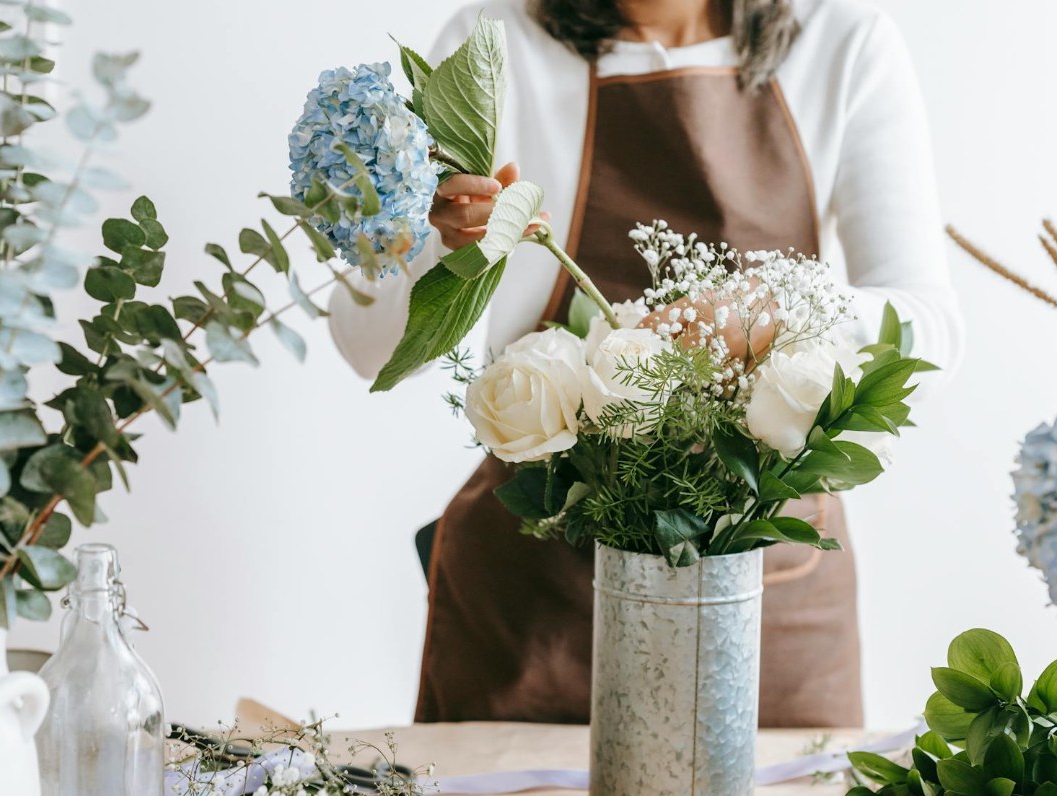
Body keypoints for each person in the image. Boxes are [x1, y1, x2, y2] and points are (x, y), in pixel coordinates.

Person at [328, 0, 964, 727]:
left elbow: (932, 330)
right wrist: (444, 246)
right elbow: (366, 345)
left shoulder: (844, 44)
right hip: (534, 602)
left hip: (773, 597)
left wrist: (774, 312)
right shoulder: (494, 47)